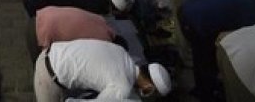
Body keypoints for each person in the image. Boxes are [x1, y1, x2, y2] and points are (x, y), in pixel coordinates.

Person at [33, 39, 172, 101]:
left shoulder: (122, 52)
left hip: (51, 53)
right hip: (48, 79)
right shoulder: (121, 87)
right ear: (149, 87)